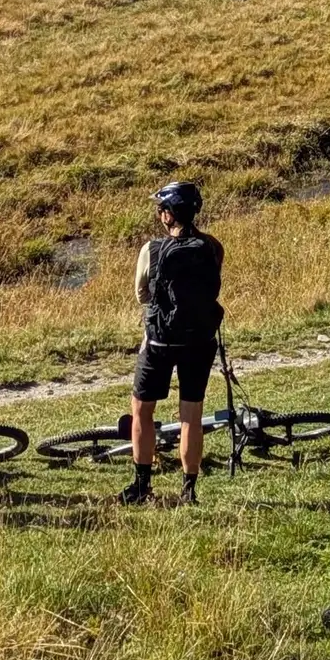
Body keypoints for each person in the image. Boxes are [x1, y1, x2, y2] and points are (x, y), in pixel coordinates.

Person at [120, 179, 224, 509]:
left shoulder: (151, 249)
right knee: (191, 414)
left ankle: (141, 485)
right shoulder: (213, 246)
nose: (158, 214)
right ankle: (189, 489)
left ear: (169, 215)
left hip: (160, 341)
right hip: (200, 341)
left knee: (142, 410)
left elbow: (141, 294)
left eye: (160, 209)